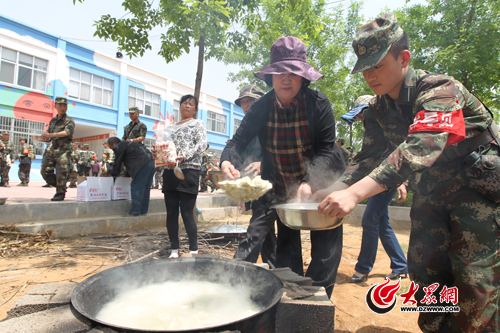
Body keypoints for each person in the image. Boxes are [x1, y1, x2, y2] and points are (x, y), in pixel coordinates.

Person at [314, 13, 500, 332]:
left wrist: (355, 193)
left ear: (404, 58)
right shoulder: (377, 108)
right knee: (426, 276)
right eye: (365, 69)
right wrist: (336, 186)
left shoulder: (440, 89)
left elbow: (419, 146)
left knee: (474, 285)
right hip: (429, 192)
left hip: (475, 193)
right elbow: (368, 156)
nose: (370, 76)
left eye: (378, 65)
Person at [221, 36, 346, 297]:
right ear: (270, 77)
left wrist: (309, 182)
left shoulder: (318, 104)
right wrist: (226, 161)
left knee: (324, 252)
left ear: (303, 76)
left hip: (320, 185)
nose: (285, 78)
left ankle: (317, 304)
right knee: (288, 254)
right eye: (279, 72)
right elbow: (237, 141)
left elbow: (327, 151)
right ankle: (291, 300)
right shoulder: (261, 108)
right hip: (281, 185)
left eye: (293, 72)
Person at [343, 95, 408, 283]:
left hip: (386, 179)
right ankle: (400, 265)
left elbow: (402, 153)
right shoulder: (372, 129)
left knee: (370, 220)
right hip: (378, 180)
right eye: (359, 116)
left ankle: (363, 269)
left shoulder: (388, 126)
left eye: (363, 114)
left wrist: (401, 181)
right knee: (381, 223)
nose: (361, 118)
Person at [230, 84, 277, 269]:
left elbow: (282, 150)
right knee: (267, 230)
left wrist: (263, 162)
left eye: (251, 101)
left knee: (257, 226)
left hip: (272, 183)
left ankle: (239, 268)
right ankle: (274, 267)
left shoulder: (272, 122)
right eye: (244, 101)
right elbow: (238, 152)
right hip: (253, 184)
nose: (247, 105)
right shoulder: (244, 128)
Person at [160, 94, 207, 259]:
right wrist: (159, 155)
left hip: (189, 171)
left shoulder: (197, 123)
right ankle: (174, 249)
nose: (187, 106)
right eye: (184, 103)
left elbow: (202, 144)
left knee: (187, 212)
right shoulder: (169, 128)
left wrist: (184, 155)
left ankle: (193, 249)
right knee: (171, 211)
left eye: (191, 104)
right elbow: (165, 147)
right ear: (179, 107)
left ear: (195, 109)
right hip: (170, 170)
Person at [107, 136, 155, 216]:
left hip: (142, 164)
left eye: (111, 147)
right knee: (145, 188)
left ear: (114, 143)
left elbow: (118, 161)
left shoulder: (119, 146)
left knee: (136, 186)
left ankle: (135, 211)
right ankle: (143, 210)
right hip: (150, 163)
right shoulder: (129, 145)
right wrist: (126, 174)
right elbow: (131, 159)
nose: (112, 149)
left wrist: (114, 176)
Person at [40, 97, 75, 201]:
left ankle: (60, 193)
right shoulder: (53, 120)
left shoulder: (69, 120)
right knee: (45, 171)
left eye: (65, 105)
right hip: (53, 148)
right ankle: (61, 186)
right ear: (55, 106)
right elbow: (49, 134)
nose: (63, 107)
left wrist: (51, 134)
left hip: (64, 149)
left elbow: (67, 133)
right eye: (60, 105)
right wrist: (45, 137)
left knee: (62, 171)